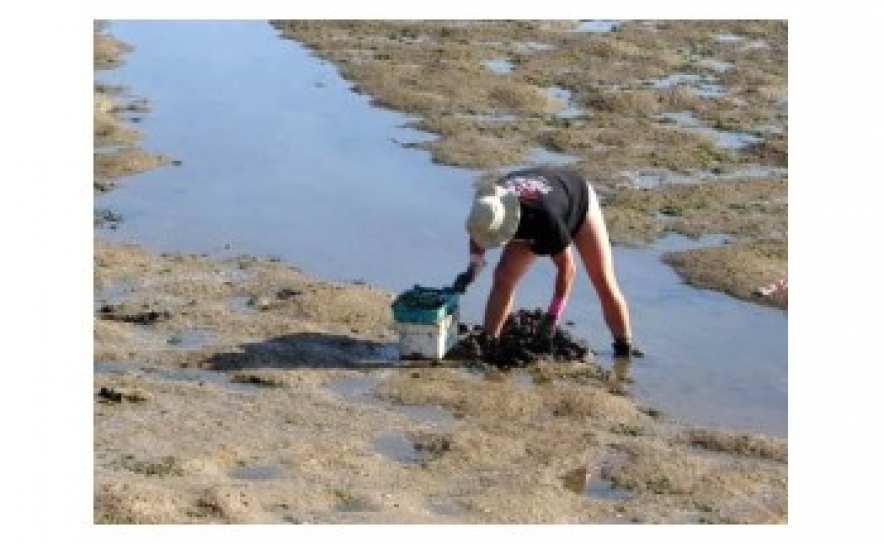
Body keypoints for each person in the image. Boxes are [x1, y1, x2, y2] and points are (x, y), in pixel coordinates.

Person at [452, 166, 642, 358]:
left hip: (577, 200)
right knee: (503, 276)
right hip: (535, 203)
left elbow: (567, 268)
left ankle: (623, 348)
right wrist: (472, 269)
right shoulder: (487, 206)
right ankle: (489, 343)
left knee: (602, 280)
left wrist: (552, 316)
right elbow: (478, 236)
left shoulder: (546, 220)